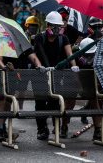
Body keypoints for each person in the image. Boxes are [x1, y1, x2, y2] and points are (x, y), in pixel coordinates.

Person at [34, 11, 79, 140]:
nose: (56, 29)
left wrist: (73, 65)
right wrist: (41, 66)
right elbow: (38, 54)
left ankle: (57, 126)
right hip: (41, 73)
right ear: (48, 25)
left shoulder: (63, 38)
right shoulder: (39, 38)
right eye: (53, 26)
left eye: (58, 26)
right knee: (40, 102)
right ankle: (42, 129)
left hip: (57, 74)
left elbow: (70, 54)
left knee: (55, 102)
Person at [60, 37, 103, 140]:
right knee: (69, 102)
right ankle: (64, 126)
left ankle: (98, 130)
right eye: (87, 55)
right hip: (72, 81)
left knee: (95, 101)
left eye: (91, 55)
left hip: (89, 82)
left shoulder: (99, 55)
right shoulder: (73, 53)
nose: (89, 57)